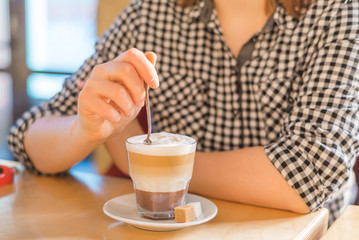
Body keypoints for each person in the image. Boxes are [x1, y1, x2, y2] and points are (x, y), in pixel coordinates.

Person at [8, 0, 359, 225]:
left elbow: (307, 176)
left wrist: (142, 161)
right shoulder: (149, 14)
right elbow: (28, 139)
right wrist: (85, 129)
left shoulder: (339, 13)